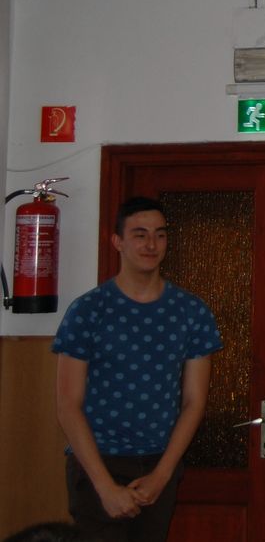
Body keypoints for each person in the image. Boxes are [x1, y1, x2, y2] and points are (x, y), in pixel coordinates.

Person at [52, 197, 222, 542]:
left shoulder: (191, 311)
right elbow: (68, 405)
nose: (151, 244)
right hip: (97, 462)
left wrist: (163, 474)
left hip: (160, 462)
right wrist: (104, 486)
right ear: (118, 241)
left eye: (160, 234)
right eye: (140, 234)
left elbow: (194, 402)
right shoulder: (88, 310)